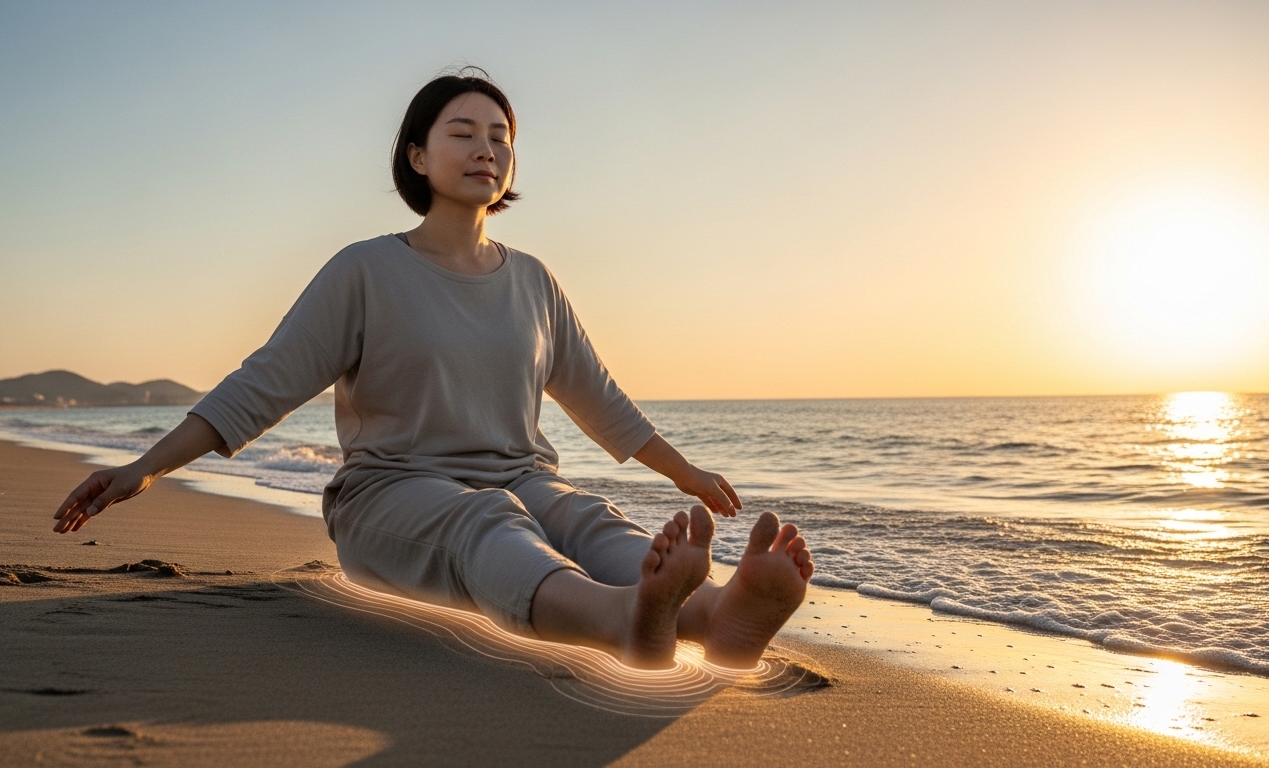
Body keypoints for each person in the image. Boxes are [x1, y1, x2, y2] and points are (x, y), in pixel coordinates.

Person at [52, 71, 814, 670]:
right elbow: (266, 381)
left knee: (580, 516)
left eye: (501, 136)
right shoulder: (366, 270)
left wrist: (685, 474)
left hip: (522, 474)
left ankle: (712, 616)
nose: (487, 147)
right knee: (490, 520)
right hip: (390, 494)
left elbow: (598, 397)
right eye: (463, 132)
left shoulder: (534, 281)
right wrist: (146, 469)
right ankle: (621, 620)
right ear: (417, 156)